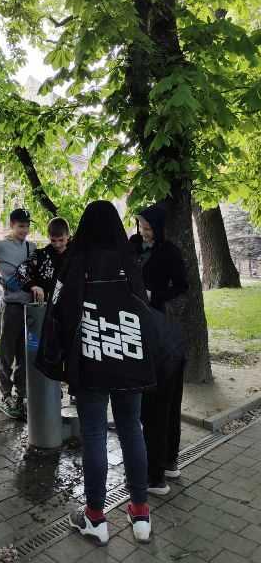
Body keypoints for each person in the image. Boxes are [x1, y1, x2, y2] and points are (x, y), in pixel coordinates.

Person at [37, 201, 155, 545]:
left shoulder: (76, 261)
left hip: (90, 363)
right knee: (132, 429)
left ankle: (95, 517)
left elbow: (59, 313)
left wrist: (56, 361)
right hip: (129, 359)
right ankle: (140, 512)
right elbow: (145, 308)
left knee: (94, 434)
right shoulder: (130, 260)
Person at [129, 204, 188, 496]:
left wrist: (155, 295)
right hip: (136, 326)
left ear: (159, 228)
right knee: (155, 403)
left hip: (159, 331)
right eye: (141, 226)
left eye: (149, 228)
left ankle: (165, 465)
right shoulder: (132, 245)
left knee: (163, 403)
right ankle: (159, 465)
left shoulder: (170, 252)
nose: (144, 232)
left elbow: (182, 286)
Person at [0, 208, 36, 419]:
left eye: (27, 226)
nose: (25, 230)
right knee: (6, 354)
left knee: (24, 355)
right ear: (11, 225)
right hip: (11, 307)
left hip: (30, 307)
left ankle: (21, 395)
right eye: (21, 226)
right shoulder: (0, 246)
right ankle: (5, 395)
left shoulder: (32, 247)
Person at [11, 217, 70, 303]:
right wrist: (33, 286)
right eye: (53, 240)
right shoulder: (39, 255)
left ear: (68, 235)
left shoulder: (77, 256)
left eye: (61, 240)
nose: (57, 244)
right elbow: (21, 271)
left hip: (72, 307)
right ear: (48, 236)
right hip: (45, 308)